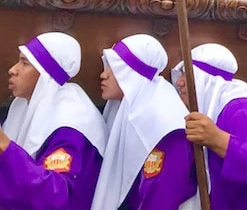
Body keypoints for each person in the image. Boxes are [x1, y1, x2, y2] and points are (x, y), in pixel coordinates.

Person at [171, 43, 247, 209]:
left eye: (186, 76)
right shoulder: (213, 106)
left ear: (203, 79)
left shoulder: (242, 109)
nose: (179, 83)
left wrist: (217, 139)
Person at [0, 33, 106, 210]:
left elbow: (55, 197)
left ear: (45, 74)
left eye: (25, 63)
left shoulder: (71, 124)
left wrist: (5, 147)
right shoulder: (21, 106)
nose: (13, 69)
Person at [91, 34, 197, 210]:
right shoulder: (130, 107)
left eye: (114, 68)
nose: (103, 75)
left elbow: (161, 197)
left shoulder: (165, 125)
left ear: (131, 75)